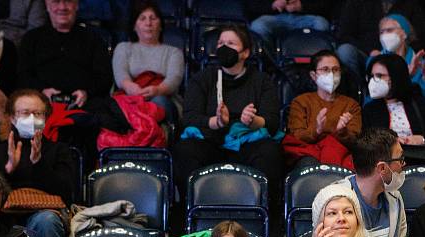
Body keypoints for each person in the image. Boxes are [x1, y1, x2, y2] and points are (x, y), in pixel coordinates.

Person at [173, 24, 281, 206]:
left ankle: (261, 211)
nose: (224, 47)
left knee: (270, 151)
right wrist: (216, 121)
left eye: (231, 43)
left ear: (245, 53)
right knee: (185, 150)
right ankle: (192, 210)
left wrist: (253, 121)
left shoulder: (262, 81)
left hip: (247, 143)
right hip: (210, 141)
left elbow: (272, 121)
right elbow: (189, 117)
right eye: (221, 43)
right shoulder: (202, 79)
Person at [0, 88, 73, 237]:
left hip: (44, 211)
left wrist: (39, 163)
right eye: (25, 113)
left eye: (37, 113)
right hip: (6, 213)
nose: (31, 118)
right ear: (12, 117)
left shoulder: (59, 150)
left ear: (45, 118)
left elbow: (66, 192)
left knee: (46, 221)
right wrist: (8, 169)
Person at [18, 0, 112, 109]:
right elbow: (23, 76)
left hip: (84, 108)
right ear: (47, 6)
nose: (62, 7)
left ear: (76, 5)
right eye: (55, 2)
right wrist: (41, 91)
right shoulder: (31, 39)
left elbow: (104, 78)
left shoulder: (94, 39)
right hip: (39, 107)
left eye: (68, 1)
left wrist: (87, 92)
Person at [284, 49, 362, 170]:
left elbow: (356, 141)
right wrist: (317, 130)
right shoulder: (300, 102)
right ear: (313, 75)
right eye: (325, 69)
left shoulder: (351, 105)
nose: (331, 74)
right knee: (308, 165)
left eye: (335, 70)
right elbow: (296, 135)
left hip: (341, 154)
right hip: (308, 153)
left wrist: (342, 132)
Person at [362, 54, 425, 156]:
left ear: (395, 77)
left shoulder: (420, 104)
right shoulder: (370, 109)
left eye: (379, 76)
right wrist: (389, 142)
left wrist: (423, 139)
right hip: (385, 165)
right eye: (372, 76)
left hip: (420, 162)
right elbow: (365, 145)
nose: (373, 81)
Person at [111, 1, 184, 122]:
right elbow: (121, 75)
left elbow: (173, 80)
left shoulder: (174, 52)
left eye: (153, 18)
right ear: (134, 26)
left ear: (160, 25)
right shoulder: (123, 48)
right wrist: (131, 88)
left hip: (164, 99)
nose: (148, 23)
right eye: (142, 19)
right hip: (131, 97)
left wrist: (158, 90)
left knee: (157, 102)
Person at [336, 0, 425, 85]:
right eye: (382, 32)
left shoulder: (410, 3)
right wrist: (370, 50)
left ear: (404, 33)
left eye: (389, 30)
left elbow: (423, 36)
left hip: (404, 55)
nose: (385, 35)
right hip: (366, 55)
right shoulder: (357, 3)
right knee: (345, 51)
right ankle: (357, 90)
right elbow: (344, 35)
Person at [248, 0, 330, 49]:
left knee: (322, 24)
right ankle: (270, 62)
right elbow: (252, 6)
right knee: (258, 26)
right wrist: (273, 4)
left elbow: (326, 5)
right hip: (275, 17)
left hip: (305, 16)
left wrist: (302, 5)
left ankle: (318, 61)